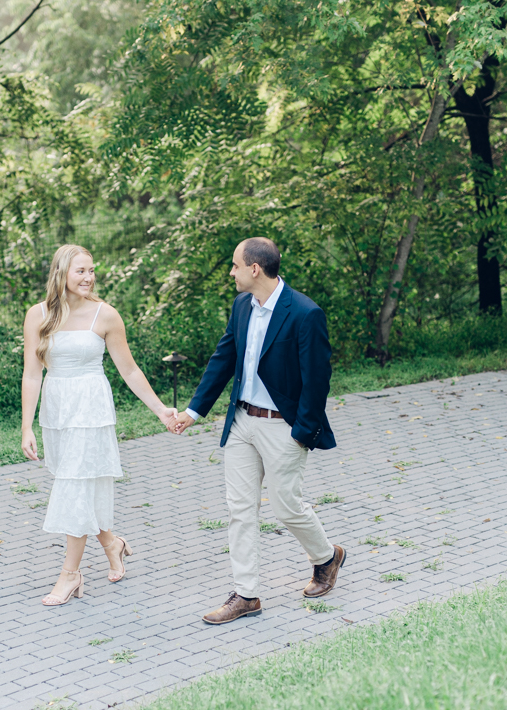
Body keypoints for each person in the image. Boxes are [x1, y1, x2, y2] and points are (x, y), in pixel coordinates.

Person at [171, 237, 345, 624]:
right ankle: (246, 594)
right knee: (240, 509)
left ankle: (326, 557)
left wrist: (302, 431)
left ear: (254, 269)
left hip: (283, 427)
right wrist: (193, 411)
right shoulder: (241, 306)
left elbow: (317, 382)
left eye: (234, 266)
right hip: (242, 423)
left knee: (286, 506)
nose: (230, 273)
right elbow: (224, 358)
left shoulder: (304, 313)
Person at [22, 244, 176, 606]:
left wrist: (159, 410)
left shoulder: (105, 316)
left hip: (91, 410)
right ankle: (112, 543)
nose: (89, 277)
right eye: (81, 271)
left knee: (75, 488)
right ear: (61, 273)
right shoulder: (38, 315)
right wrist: (26, 426)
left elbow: (129, 369)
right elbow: (32, 374)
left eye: (92, 271)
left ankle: (70, 576)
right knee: (78, 483)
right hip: (57, 411)